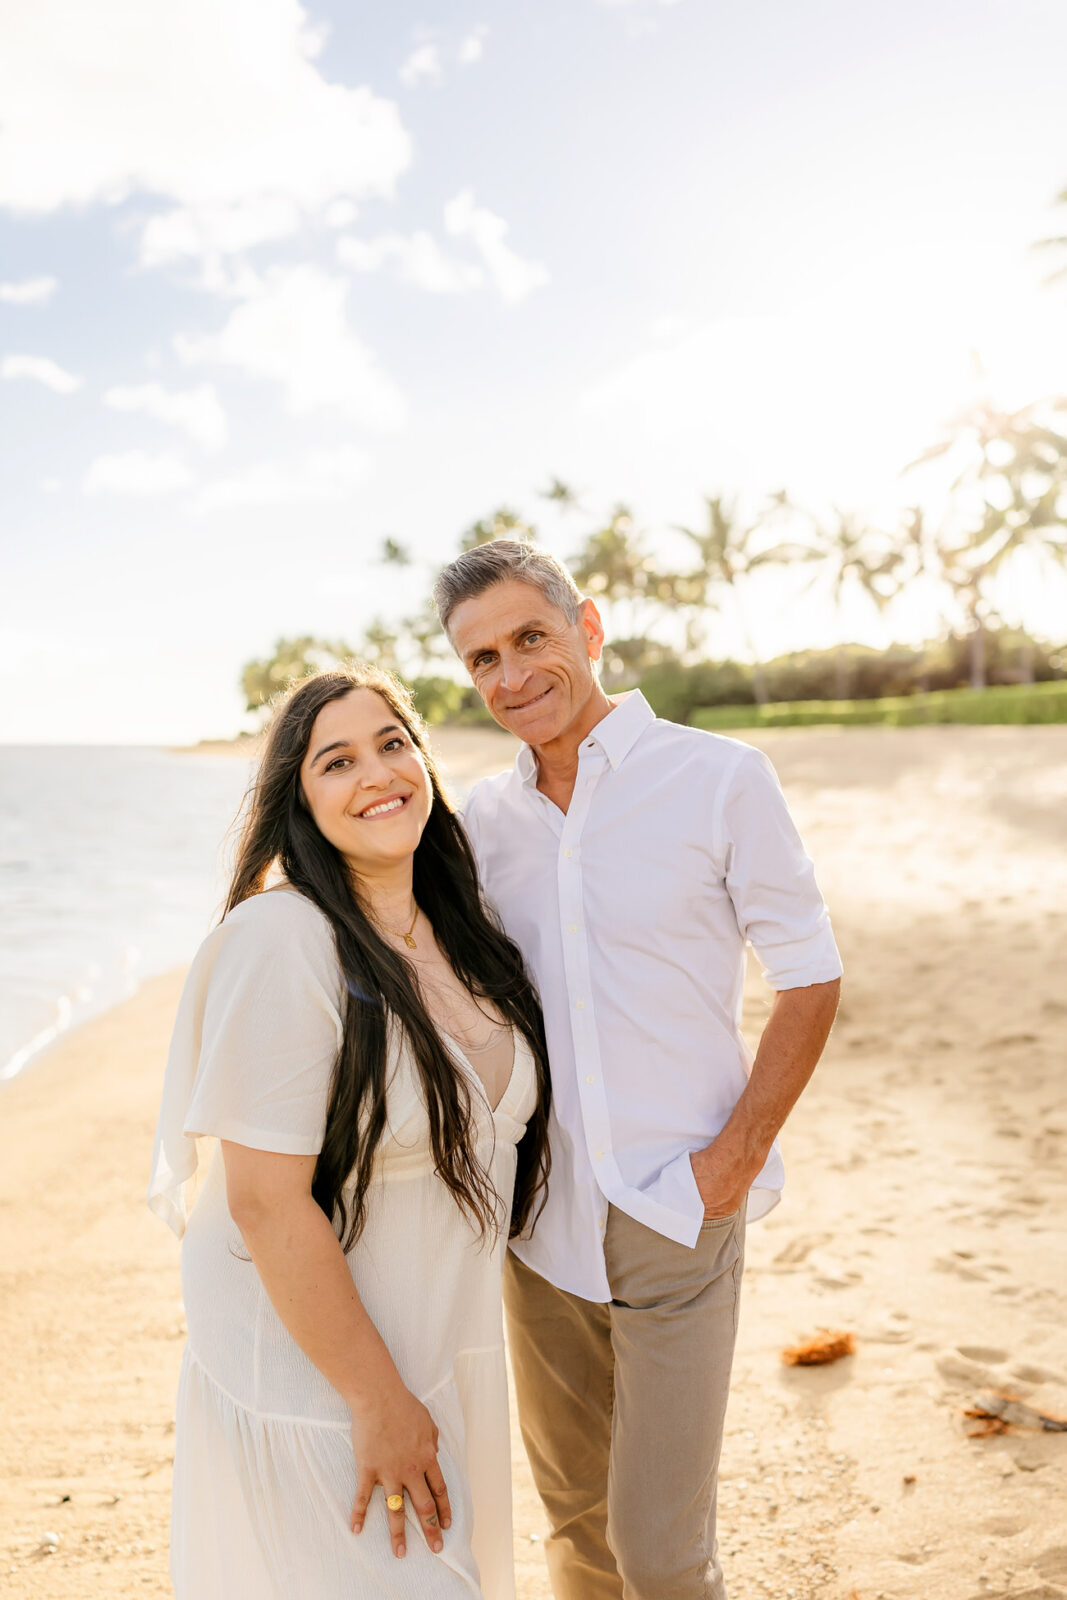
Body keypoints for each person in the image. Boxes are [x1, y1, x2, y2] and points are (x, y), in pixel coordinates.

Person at [432, 541, 843, 1600]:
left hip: (678, 1204)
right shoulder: (481, 823)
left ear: (589, 626)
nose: (511, 675)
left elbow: (807, 976)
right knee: (576, 1531)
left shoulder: (717, 778)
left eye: (530, 637)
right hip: (534, 1220)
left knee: (659, 1552)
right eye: (482, 658)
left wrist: (731, 1161)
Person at [147, 665, 551, 1600]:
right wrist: (375, 1401)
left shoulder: (466, 934)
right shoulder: (284, 939)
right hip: (313, 1375)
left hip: (437, 1349)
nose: (377, 773)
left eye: (393, 744)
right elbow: (259, 1200)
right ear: (300, 801)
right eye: (337, 761)